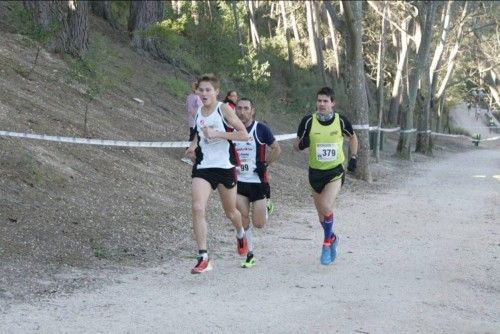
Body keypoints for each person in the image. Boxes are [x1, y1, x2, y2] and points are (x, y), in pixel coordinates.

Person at [185, 74, 250, 274]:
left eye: (208, 90)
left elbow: (243, 135)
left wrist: (219, 134)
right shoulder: (198, 112)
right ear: (196, 91)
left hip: (224, 166)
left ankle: (240, 234)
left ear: (216, 92)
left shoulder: (224, 109)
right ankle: (203, 256)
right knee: (197, 207)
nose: (204, 94)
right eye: (201, 90)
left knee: (231, 212)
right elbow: (198, 133)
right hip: (204, 166)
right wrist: (193, 146)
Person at [293, 87, 358, 266]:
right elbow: (296, 145)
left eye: (325, 101)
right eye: (319, 101)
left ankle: (326, 244)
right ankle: (333, 237)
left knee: (326, 205)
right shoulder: (308, 121)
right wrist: (302, 144)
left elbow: (353, 138)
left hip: (335, 171)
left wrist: (353, 157)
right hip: (315, 173)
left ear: (332, 103)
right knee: (322, 216)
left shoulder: (341, 121)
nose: (321, 104)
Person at [233, 98, 281, 268]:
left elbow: (277, 148)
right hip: (238, 182)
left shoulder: (260, 129)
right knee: (243, 216)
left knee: (259, 224)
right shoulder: (231, 129)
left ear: (252, 110)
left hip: (258, 181)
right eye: (239, 108)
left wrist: (265, 164)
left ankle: (267, 206)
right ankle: (250, 253)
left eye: (246, 108)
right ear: (235, 110)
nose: (242, 112)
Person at [182, 82, 202, 165]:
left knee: (192, 137)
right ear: (196, 89)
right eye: (200, 89)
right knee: (193, 139)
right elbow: (202, 108)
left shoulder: (189, 96)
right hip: (195, 121)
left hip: (191, 120)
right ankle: (187, 156)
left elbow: (187, 107)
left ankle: (191, 156)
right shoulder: (197, 98)